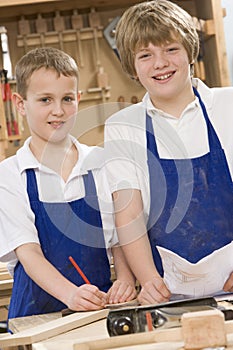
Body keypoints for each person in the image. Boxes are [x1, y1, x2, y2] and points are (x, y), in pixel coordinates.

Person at [104, 0, 233, 305]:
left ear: (190, 51)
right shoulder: (123, 126)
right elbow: (128, 215)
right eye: (145, 55)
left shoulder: (228, 107)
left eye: (170, 49)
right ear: (132, 67)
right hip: (168, 296)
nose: (160, 63)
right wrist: (148, 280)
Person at [0, 47, 136, 320]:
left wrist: (124, 279)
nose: (58, 111)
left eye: (67, 99)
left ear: (79, 99)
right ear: (20, 103)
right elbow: (28, 252)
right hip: (34, 316)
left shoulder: (100, 162)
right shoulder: (10, 174)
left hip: (98, 308)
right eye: (45, 100)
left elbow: (120, 237)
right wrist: (70, 295)